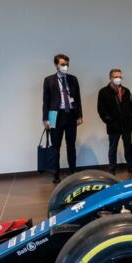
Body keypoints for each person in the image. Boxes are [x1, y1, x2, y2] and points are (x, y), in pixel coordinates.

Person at [43, 53, 83, 183]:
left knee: (71, 145)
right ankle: (56, 173)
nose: (65, 66)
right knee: (56, 146)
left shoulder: (73, 79)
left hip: (71, 114)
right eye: (62, 64)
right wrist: (46, 118)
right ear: (56, 65)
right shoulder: (49, 80)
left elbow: (77, 98)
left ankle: (72, 171)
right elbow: (46, 101)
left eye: (67, 64)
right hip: (56, 115)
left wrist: (79, 115)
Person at [97, 68, 132, 174]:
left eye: (120, 77)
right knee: (113, 147)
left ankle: (130, 166)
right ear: (110, 78)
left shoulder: (126, 91)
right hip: (113, 125)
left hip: (127, 124)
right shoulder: (103, 92)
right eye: (115, 77)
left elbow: (130, 105)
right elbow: (101, 109)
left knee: (128, 146)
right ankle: (112, 168)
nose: (118, 79)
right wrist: (108, 120)